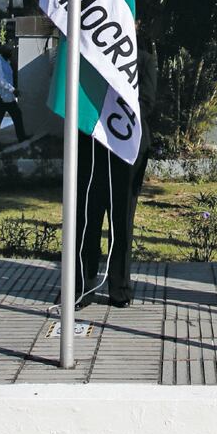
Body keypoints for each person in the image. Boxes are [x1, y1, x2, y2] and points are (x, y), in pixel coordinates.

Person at [75, 43, 158, 308]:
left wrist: (116, 120)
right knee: (87, 216)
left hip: (127, 148)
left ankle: (119, 287)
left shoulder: (143, 59)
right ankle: (82, 285)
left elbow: (147, 101)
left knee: (122, 219)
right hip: (92, 146)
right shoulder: (88, 55)